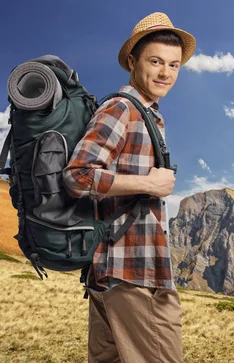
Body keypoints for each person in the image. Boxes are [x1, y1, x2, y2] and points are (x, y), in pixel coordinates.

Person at [62, 12, 196, 363]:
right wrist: (149, 183)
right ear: (133, 62)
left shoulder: (147, 114)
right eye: (155, 61)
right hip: (134, 272)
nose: (166, 73)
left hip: (111, 271)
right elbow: (77, 175)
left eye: (174, 65)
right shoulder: (123, 108)